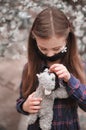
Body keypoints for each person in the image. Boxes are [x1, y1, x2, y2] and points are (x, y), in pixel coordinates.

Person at [16, 6, 86, 130]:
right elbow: (21, 101)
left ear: (67, 40)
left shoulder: (78, 67)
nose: (50, 54)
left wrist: (70, 79)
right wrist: (25, 106)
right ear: (34, 38)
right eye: (43, 48)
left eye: (56, 48)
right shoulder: (30, 68)